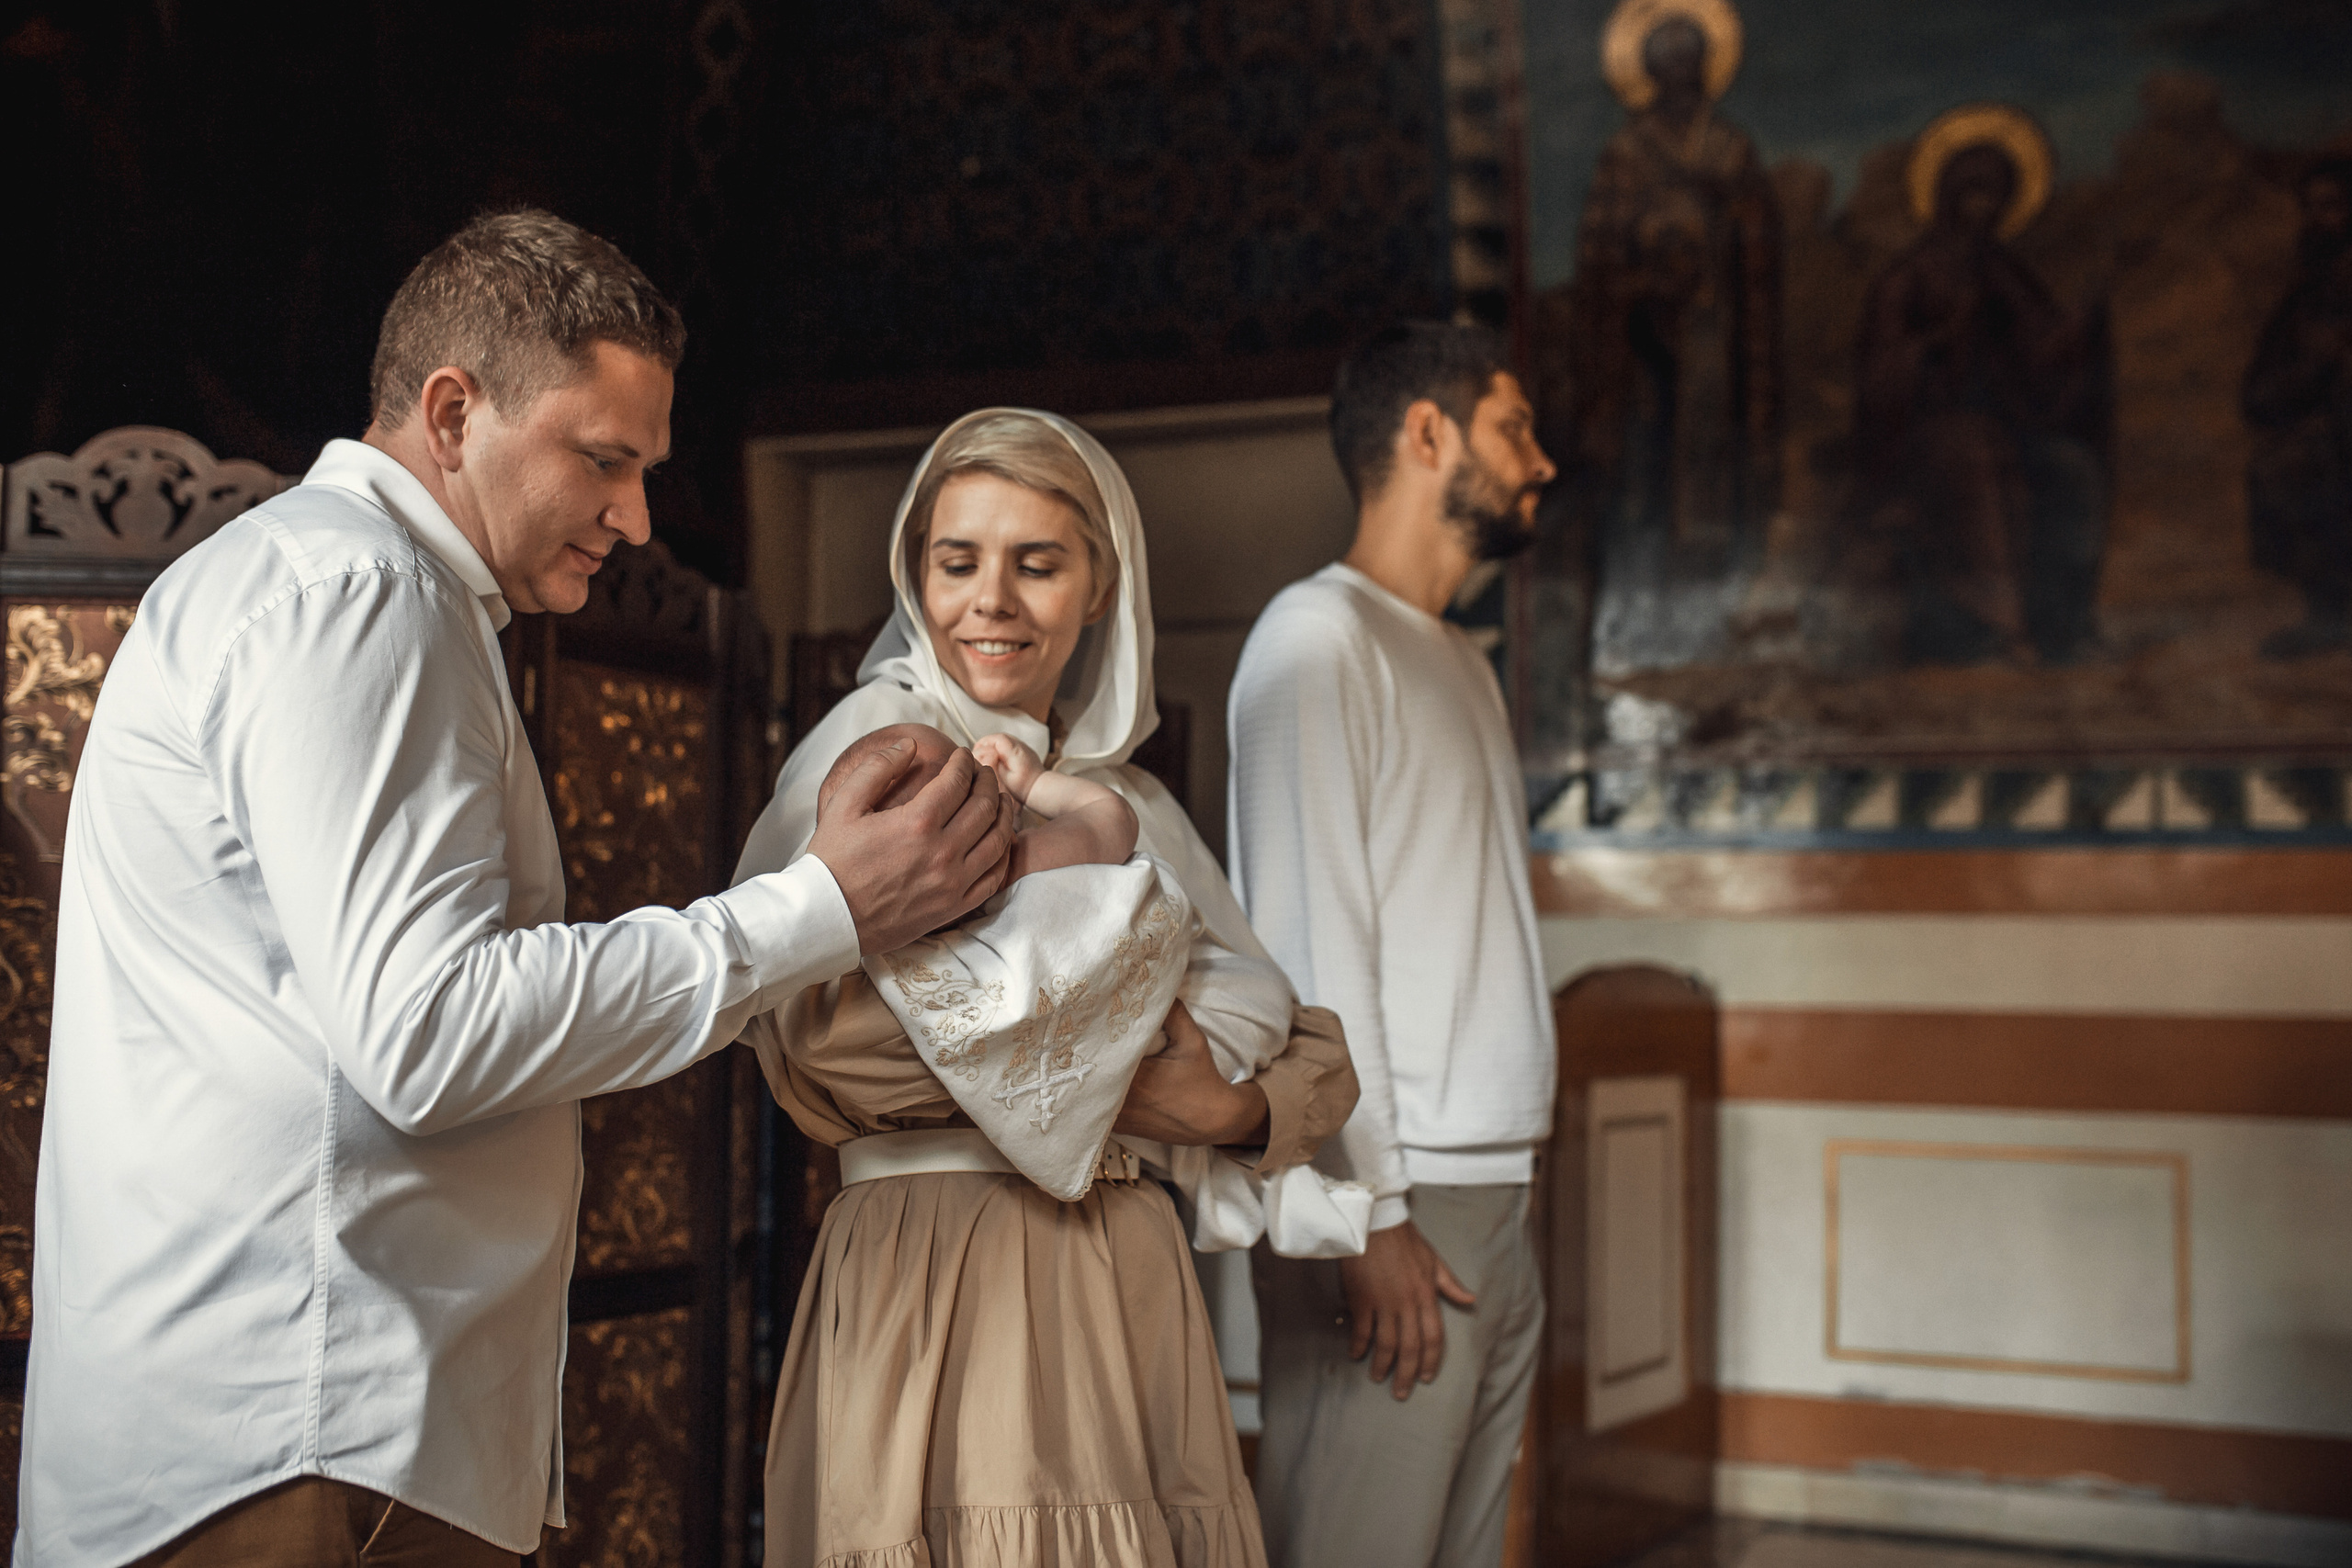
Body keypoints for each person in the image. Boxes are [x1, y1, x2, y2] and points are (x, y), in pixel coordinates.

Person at [16, 209, 1017, 1568]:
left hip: (302, 1418)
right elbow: (428, 1030)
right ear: (452, 413)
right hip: (303, 1439)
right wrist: (822, 908)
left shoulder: (333, 583)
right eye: (602, 459)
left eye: (646, 470)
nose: (638, 517)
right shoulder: (362, 593)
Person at [733, 408, 1361, 1568]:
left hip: (1127, 1269)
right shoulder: (878, 752)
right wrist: (1122, 1063)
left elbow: (1311, 1061)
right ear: (914, 577)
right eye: (956, 562)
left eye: (1036, 564)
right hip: (941, 1262)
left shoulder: (1132, 802)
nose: (991, 602)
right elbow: (813, 1033)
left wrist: (1223, 1106)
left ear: (1100, 586)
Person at [1229, 321, 1559, 1568]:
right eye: (1514, 428)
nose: (1542, 461)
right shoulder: (1317, 638)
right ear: (1429, 433)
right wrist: (1366, 1212)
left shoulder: (1462, 660)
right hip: (1395, 1202)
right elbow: (1305, 953)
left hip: (1492, 1193)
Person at [1854, 134, 2111, 667]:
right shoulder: (1907, 276)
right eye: (1973, 193)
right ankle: (1995, 629)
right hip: (1924, 432)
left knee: (2073, 469)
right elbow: (1879, 377)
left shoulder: (2005, 272)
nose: (1984, 207)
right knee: (1976, 458)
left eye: (1996, 195)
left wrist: (2082, 322)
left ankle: (2064, 627)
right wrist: (1936, 344)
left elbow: (2041, 352)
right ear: (1946, 196)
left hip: (2010, 423)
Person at [2243, 156, 2352, 660]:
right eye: (2310, 207)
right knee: (2290, 461)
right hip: (2325, 434)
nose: (2318, 219)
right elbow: (2257, 392)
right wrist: (2311, 371)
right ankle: (2330, 613)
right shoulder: (2307, 293)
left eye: (2331, 206)